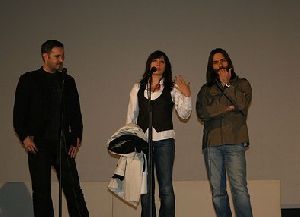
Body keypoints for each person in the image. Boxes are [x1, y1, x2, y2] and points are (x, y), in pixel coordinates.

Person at [13, 40, 89, 217]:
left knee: (73, 190)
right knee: (41, 192)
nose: (61, 60)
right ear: (45, 56)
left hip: (63, 142)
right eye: (57, 56)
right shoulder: (29, 80)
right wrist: (25, 137)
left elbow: (75, 113)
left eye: (62, 56)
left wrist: (76, 136)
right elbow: (19, 114)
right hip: (38, 144)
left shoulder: (67, 81)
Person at [126, 50, 192, 217]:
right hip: (143, 142)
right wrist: (131, 144)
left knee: (166, 188)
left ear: (166, 66)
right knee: (146, 190)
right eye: (155, 61)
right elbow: (131, 118)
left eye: (162, 62)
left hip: (165, 141)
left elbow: (184, 114)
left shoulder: (171, 88)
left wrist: (187, 94)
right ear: (149, 64)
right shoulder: (137, 88)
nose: (158, 64)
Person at [196, 48, 253, 217]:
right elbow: (202, 113)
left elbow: (242, 104)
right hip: (212, 144)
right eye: (215, 62)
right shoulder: (205, 90)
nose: (220, 64)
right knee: (217, 194)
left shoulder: (242, 84)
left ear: (228, 62)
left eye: (223, 60)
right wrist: (226, 108)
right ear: (211, 67)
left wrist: (227, 85)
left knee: (239, 189)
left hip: (235, 141)